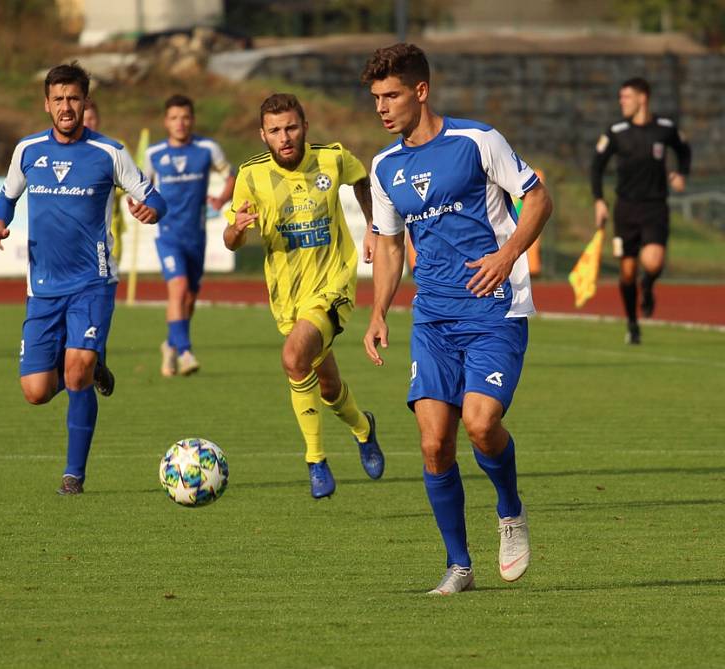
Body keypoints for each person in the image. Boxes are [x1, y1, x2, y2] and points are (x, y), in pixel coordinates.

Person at [361, 44, 552, 594]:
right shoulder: (384, 167)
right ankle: (458, 566)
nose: (382, 107)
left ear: (421, 91)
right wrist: (378, 312)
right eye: (376, 98)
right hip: (433, 318)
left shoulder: (477, 141)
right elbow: (392, 247)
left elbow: (537, 200)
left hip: (495, 309)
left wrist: (507, 253)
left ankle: (510, 511)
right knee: (432, 444)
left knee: (481, 424)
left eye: (392, 94)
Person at [0, 62, 166, 495]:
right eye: (59, 99)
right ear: (47, 104)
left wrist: (150, 209)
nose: (67, 107)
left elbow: (155, 198)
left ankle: (74, 475)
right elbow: (6, 197)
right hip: (42, 287)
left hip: (92, 281)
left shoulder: (110, 153)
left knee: (76, 373)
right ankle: (89, 363)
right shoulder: (27, 150)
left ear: (86, 103)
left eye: (74, 99)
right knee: (35, 391)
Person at [224, 93, 384, 499]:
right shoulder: (251, 176)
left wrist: (371, 226)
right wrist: (238, 229)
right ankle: (363, 428)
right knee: (327, 386)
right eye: (275, 130)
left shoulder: (332, 158)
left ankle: (315, 460)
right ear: (263, 135)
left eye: (291, 127)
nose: (285, 137)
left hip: (333, 286)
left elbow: (362, 177)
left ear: (305, 127)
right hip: (288, 298)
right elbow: (230, 240)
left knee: (294, 358)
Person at [591, 77, 691, 344]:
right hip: (625, 210)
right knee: (626, 273)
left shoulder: (665, 128)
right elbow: (597, 166)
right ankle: (632, 324)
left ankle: (647, 285)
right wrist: (599, 200)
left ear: (642, 98)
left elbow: (684, 150)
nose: (621, 102)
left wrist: (682, 173)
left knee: (653, 262)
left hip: (655, 207)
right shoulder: (616, 131)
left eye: (626, 97)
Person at [144, 94, 235, 377]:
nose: (179, 123)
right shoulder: (154, 154)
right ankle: (184, 352)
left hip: (196, 236)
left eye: (185, 117)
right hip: (168, 234)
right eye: (173, 118)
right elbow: (141, 187)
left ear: (192, 120)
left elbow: (232, 175)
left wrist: (221, 199)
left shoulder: (207, 148)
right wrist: (139, 204)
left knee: (190, 299)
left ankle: (170, 344)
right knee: (178, 287)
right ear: (165, 122)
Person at [82, 100, 127, 264]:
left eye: (91, 118)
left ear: (98, 120)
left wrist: (103, 187)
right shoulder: (68, 150)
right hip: (78, 230)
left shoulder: (114, 148)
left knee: (106, 281)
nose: (87, 123)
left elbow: (128, 183)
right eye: (83, 118)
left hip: (108, 227)